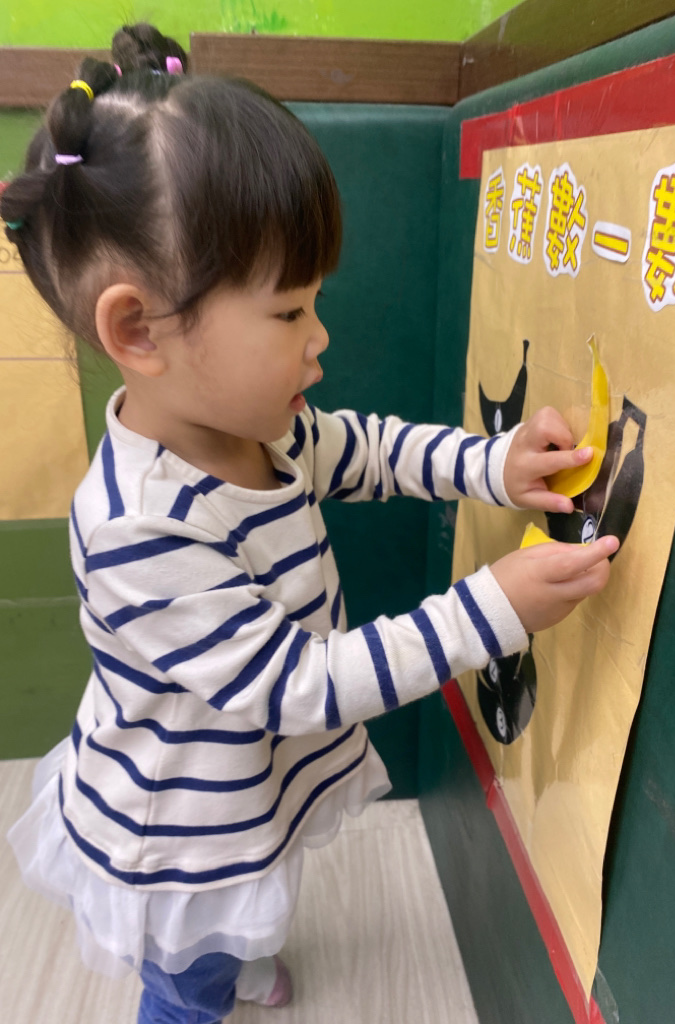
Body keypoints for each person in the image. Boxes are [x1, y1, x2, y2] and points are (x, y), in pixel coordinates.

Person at [1, 23, 618, 1024]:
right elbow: (297, 685)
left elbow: (370, 451)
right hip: (186, 832)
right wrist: (489, 611)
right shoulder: (136, 528)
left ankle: (231, 958)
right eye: (289, 314)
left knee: (249, 905)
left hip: (248, 777)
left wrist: (493, 464)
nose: (321, 339)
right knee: (190, 981)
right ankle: (201, 986)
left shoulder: (264, 429)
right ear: (137, 330)